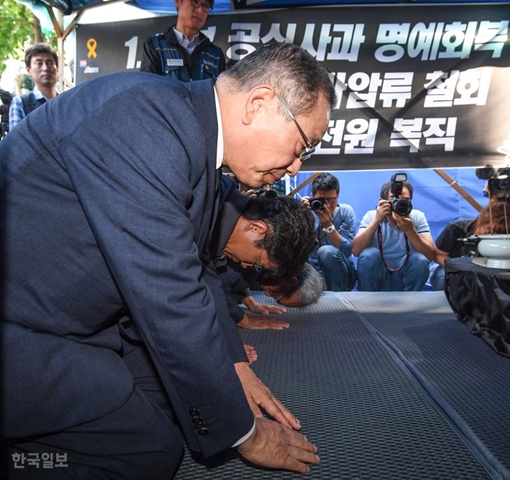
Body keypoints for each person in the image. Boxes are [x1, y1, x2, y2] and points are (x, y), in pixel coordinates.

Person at [1, 41, 336, 478]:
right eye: (302, 145)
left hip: (64, 315)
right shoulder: (145, 123)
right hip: (21, 328)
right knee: (147, 449)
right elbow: (169, 295)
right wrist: (245, 434)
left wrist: (232, 363)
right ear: (259, 102)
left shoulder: (186, 131)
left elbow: (195, 267)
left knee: (170, 404)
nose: (296, 168)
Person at [211, 176, 316, 330]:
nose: (246, 266)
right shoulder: (200, 207)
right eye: (257, 264)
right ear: (256, 229)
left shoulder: (216, 207)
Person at [352, 178, 435, 291]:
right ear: (382, 201)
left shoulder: (417, 216)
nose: (400, 204)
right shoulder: (372, 216)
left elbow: (430, 255)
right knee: (369, 254)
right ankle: (368, 302)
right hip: (379, 276)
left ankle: (411, 303)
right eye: (395, 199)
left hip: (404, 276)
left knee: (419, 259)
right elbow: (356, 250)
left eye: (406, 200)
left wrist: (410, 230)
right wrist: (377, 220)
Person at [429, 202, 510, 291]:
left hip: (487, 272)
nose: (492, 235)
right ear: (480, 219)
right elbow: (439, 254)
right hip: (454, 269)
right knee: (442, 278)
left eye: (499, 233)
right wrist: (456, 270)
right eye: (489, 230)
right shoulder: (455, 228)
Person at [140, 0, 225, 81]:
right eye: (195, 2)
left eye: (205, 5)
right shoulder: (155, 46)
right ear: (178, 1)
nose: (200, 10)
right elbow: (148, 90)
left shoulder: (216, 54)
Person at [301, 173, 356, 291]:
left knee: (326, 251)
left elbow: (347, 250)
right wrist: (301, 217)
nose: (327, 204)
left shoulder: (345, 212)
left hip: (342, 273)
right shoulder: (306, 212)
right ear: (312, 197)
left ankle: (339, 300)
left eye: (332, 199)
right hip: (313, 273)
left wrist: (329, 227)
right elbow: (298, 248)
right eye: (322, 200)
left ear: (338, 196)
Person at [8, 43, 58, 131]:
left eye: (50, 63)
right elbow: (17, 142)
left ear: (57, 68)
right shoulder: (20, 103)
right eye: (39, 63)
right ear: (29, 70)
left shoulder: (66, 102)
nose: (45, 68)